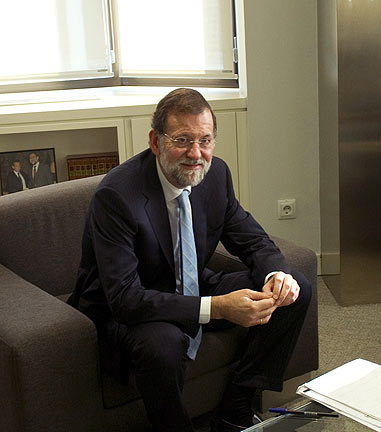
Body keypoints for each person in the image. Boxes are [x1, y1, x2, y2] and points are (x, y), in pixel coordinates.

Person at [67, 88, 311, 432]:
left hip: (192, 284)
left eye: (205, 140)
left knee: (295, 289)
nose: (196, 153)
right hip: (131, 308)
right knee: (163, 345)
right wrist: (219, 307)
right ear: (155, 141)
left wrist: (277, 275)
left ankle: (236, 408)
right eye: (182, 140)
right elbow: (125, 299)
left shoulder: (216, 175)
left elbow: (251, 239)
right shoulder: (117, 196)